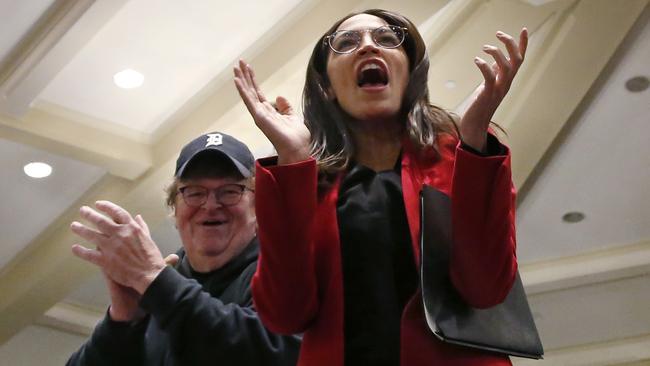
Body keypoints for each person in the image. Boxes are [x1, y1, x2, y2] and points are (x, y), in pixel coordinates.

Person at [234, 8, 526, 366]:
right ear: (326, 86)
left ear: (410, 72)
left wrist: (477, 140)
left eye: (387, 39)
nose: (368, 47)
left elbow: (485, 289)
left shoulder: (462, 157)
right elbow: (284, 314)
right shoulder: (303, 181)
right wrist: (292, 159)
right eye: (347, 42)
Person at [67, 132, 301, 365]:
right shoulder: (157, 288)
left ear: (258, 206)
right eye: (194, 192)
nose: (210, 205)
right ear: (175, 211)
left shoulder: (284, 270)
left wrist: (156, 281)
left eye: (230, 191)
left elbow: (275, 355)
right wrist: (122, 321)